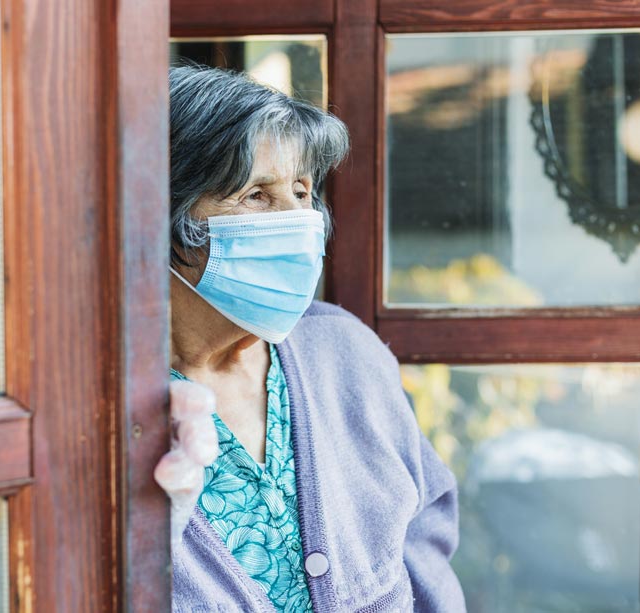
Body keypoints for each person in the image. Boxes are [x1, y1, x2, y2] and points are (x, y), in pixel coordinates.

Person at [155, 65, 466, 612]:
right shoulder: (103, 402)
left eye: (302, 191)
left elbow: (425, 533)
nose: (299, 220)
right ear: (162, 217)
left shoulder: (344, 351)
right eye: (256, 195)